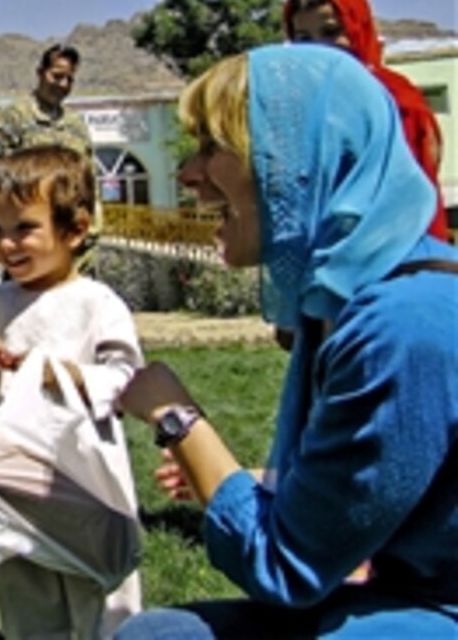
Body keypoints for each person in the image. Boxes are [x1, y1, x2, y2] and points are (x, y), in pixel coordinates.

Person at [113, 44, 458, 638]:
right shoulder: (348, 299)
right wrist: (265, 481)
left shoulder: (399, 326)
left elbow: (286, 567)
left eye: (214, 149)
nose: (190, 174)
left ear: (301, 164)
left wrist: (177, 417)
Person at [0, 145, 144, 638]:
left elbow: (127, 378)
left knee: (104, 605)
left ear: (75, 229)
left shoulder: (96, 304)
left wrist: (61, 374)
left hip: (85, 489)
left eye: (24, 228)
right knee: (27, 602)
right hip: (15, 488)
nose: (7, 245)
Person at [284, 0, 449, 242]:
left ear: (357, 28)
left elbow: (410, 193)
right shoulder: (299, 106)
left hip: (392, 253)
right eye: (304, 38)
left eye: (331, 32)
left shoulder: (395, 98)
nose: (319, 47)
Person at [0, 44, 102, 272]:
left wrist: (92, 228)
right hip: (30, 242)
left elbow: (89, 180)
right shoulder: (14, 118)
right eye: (57, 76)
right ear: (40, 73)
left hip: (74, 242)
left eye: (70, 79)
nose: (63, 85)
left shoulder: (75, 125)